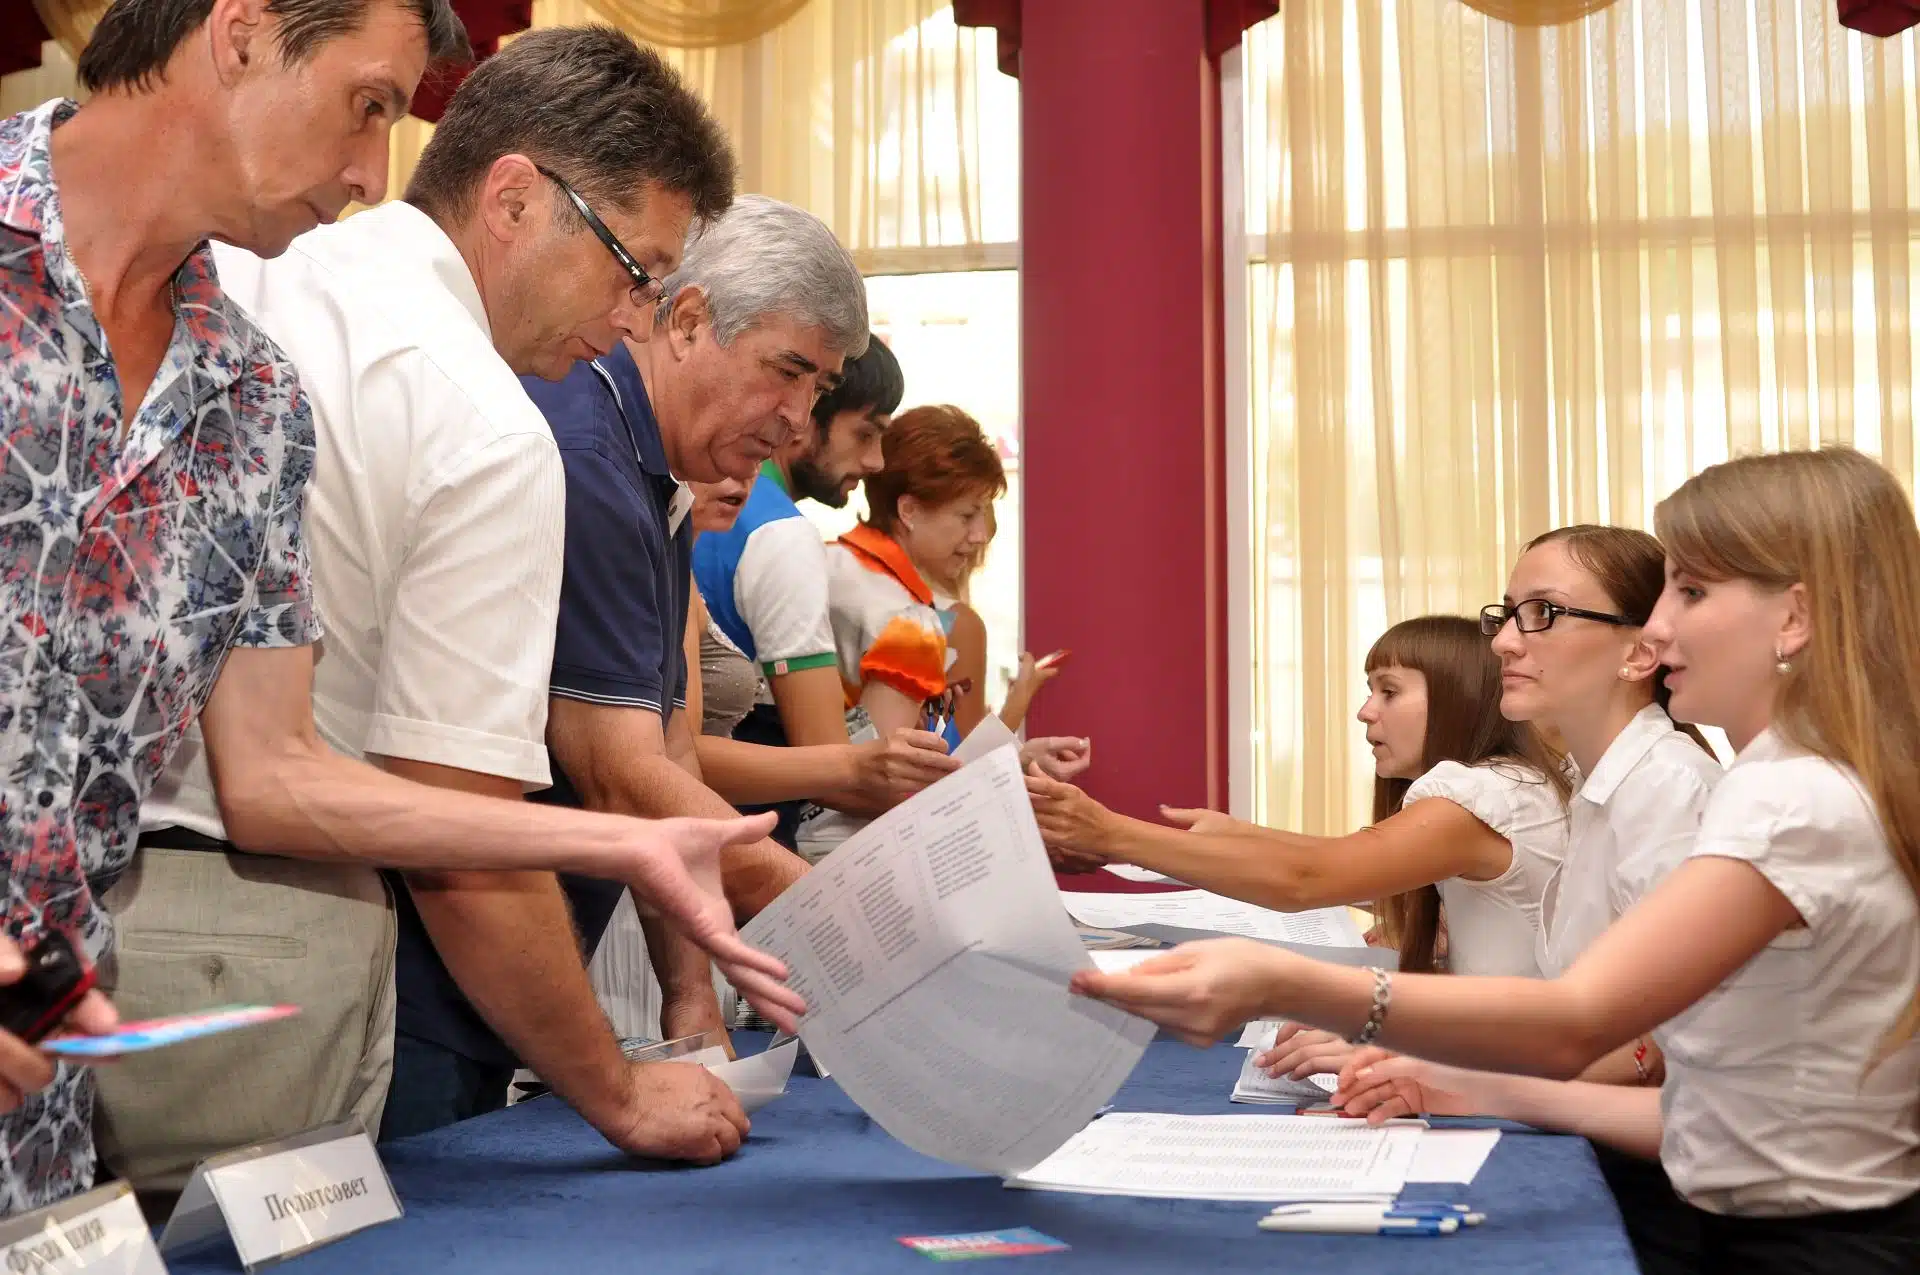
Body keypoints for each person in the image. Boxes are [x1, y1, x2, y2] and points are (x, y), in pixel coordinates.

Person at [0, 0, 793, 1217]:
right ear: (246, 31)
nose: (374, 174)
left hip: (53, 1065)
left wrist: (607, 837)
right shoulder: (469, 419)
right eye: (369, 105)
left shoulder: (255, 381)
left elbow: (273, 768)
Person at [1072, 448, 1920, 1274]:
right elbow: (1713, 1110)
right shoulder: (1777, 779)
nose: (1661, 626)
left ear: (1796, 619)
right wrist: (1473, 1083)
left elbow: (1587, 1022)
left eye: (1691, 591)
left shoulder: (1790, 800)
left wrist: (1281, 982)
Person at [523, 195, 923, 1053]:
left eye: (817, 389)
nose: (795, 420)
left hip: (550, 939)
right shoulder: (591, 454)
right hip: (473, 955)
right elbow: (629, 779)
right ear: (690, 320)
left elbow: (668, 754)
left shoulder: (660, 476)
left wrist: (691, 1002)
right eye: (787, 371)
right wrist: (858, 935)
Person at [1031, 614, 1567, 981]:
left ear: (1458, 698)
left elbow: (1308, 876)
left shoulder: (1485, 796)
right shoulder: (1508, 783)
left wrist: (1111, 834)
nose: (1365, 711)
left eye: (1389, 691)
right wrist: (1243, 835)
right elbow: (1352, 858)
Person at [691, 337, 906, 845]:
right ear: (807, 413)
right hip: (743, 843)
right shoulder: (781, 534)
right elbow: (831, 760)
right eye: (864, 434)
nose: (876, 461)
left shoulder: (705, 501)